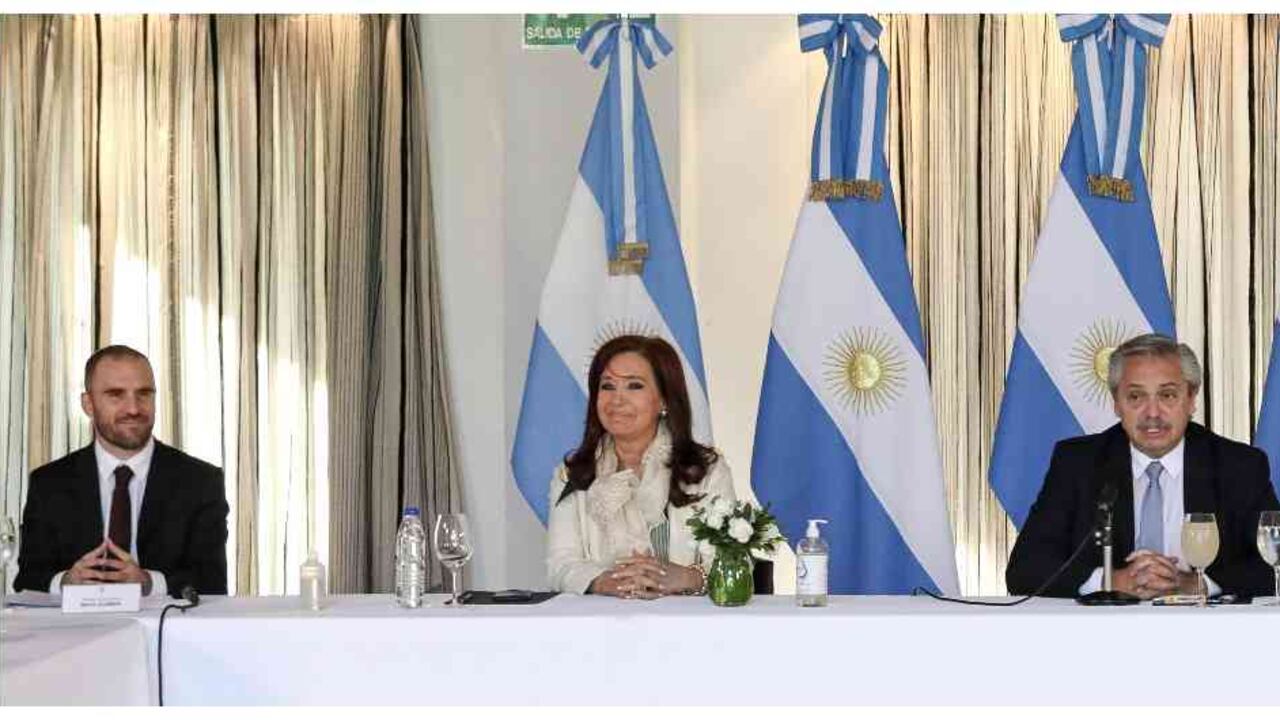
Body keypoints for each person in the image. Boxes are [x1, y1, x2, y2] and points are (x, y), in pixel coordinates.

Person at [1007, 333, 1280, 600]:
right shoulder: (1078, 463)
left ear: (1191, 399)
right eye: (1136, 397)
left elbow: (1274, 563)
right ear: (1116, 403)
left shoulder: (1238, 466)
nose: (1152, 413)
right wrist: (1109, 580)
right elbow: (1025, 568)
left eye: (1168, 395)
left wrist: (1194, 584)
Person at [15, 345, 229, 598]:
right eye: (116, 394)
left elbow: (213, 582)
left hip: (168, 633)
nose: (134, 409)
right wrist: (65, 583)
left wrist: (149, 583)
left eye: (144, 394)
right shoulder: (49, 483)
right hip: (76, 633)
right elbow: (27, 579)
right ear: (88, 404)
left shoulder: (200, 482)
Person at [547, 335, 735, 598]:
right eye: (607, 386)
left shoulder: (705, 470)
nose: (616, 400)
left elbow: (735, 562)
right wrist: (606, 582)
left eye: (634, 386)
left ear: (664, 400)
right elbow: (560, 564)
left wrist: (686, 577)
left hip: (689, 629)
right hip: (600, 627)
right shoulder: (573, 474)